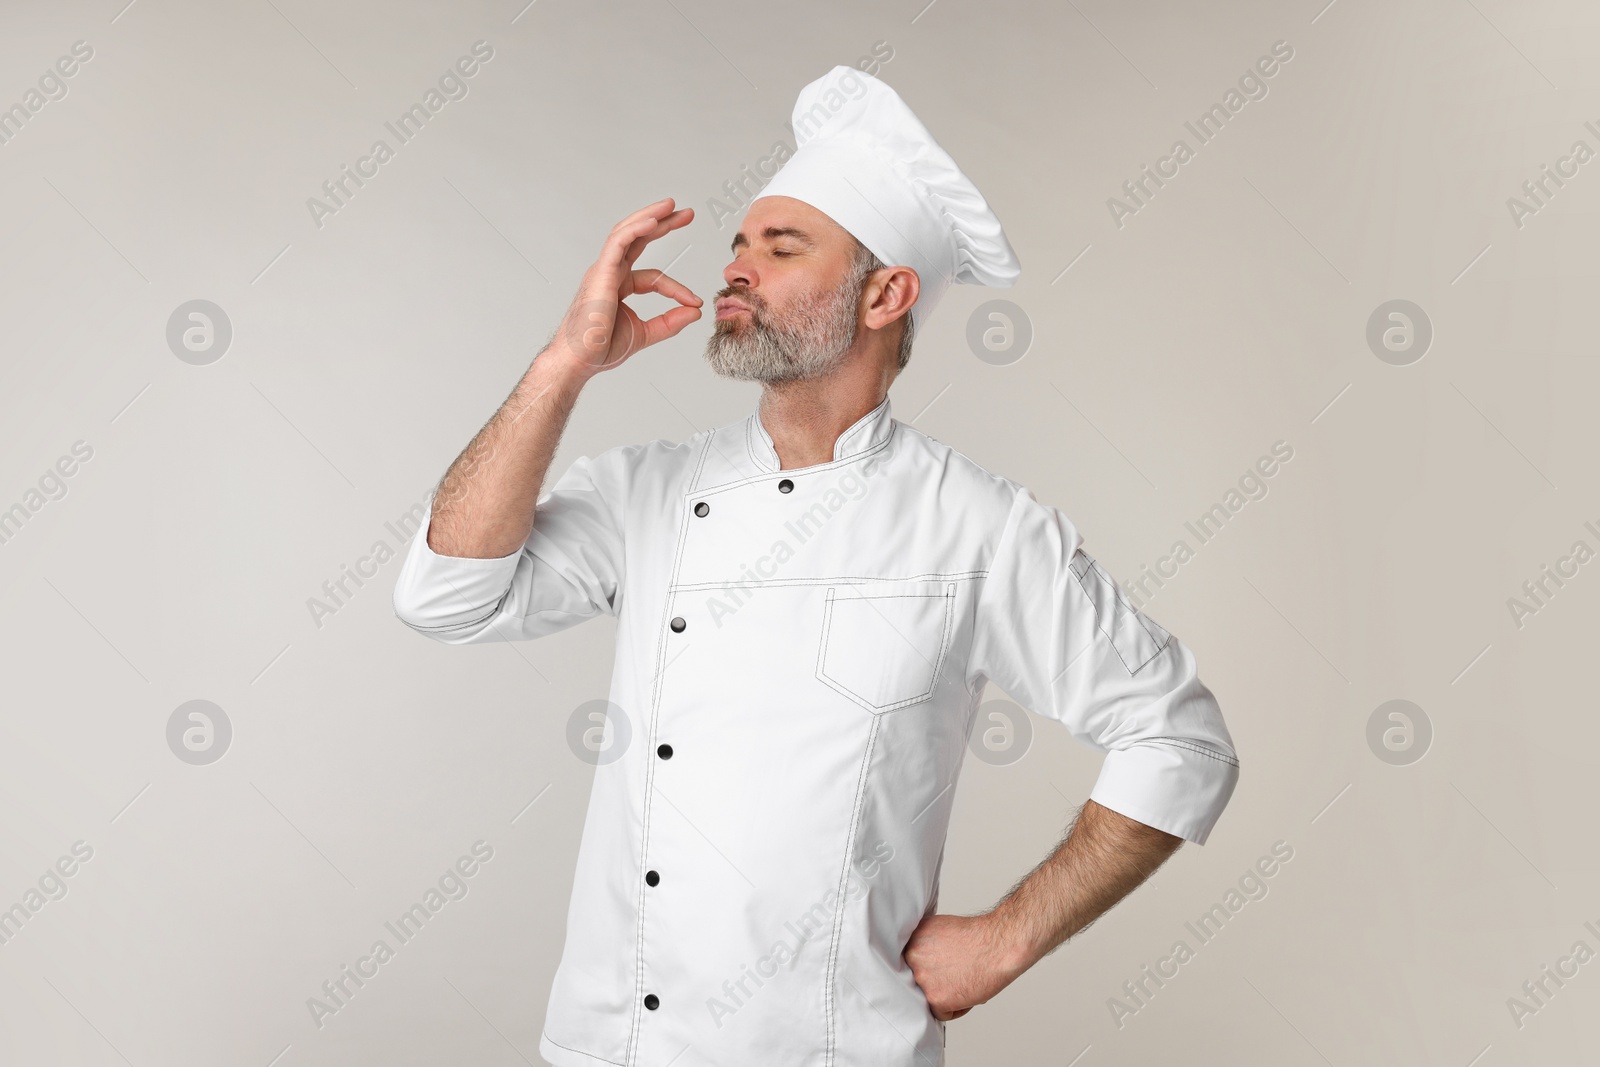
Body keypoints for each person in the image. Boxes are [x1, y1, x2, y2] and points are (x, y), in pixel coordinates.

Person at [394, 65, 1238, 1067]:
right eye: (738, 245)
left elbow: (1178, 735)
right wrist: (562, 363)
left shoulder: (978, 525)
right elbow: (442, 595)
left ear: (885, 292)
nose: (735, 269)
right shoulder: (646, 491)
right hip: (610, 1043)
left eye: (781, 247)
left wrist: (1005, 940)